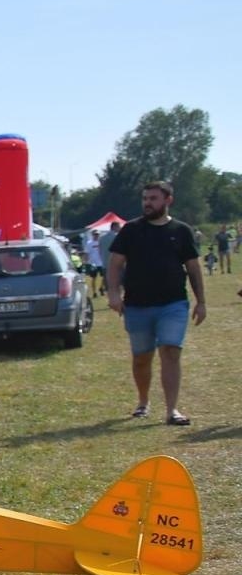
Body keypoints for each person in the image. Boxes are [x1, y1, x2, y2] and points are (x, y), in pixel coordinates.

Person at [105, 181, 205, 425]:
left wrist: (201, 301)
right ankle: (143, 401)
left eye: (153, 198)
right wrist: (114, 294)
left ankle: (172, 410)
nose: (148, 203)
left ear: (168, 200)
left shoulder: (182, 231)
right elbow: (115, 264)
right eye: (145, 199)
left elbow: (193, 268)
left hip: (173, 304)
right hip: (138, 305)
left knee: (170, 351)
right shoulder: (130, 230)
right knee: (142, 358)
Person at [82, 229, 105, 296]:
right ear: (92, 235)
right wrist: (85, 261)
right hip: (92, 263)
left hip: (101, 262)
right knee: (93, 278)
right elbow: (86, 253)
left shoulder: (101, 242)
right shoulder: (89, 243)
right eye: (95, 234)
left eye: (97, 234)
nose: (96, 236)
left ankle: (101, 287)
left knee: (105, 276)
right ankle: (94, 292)